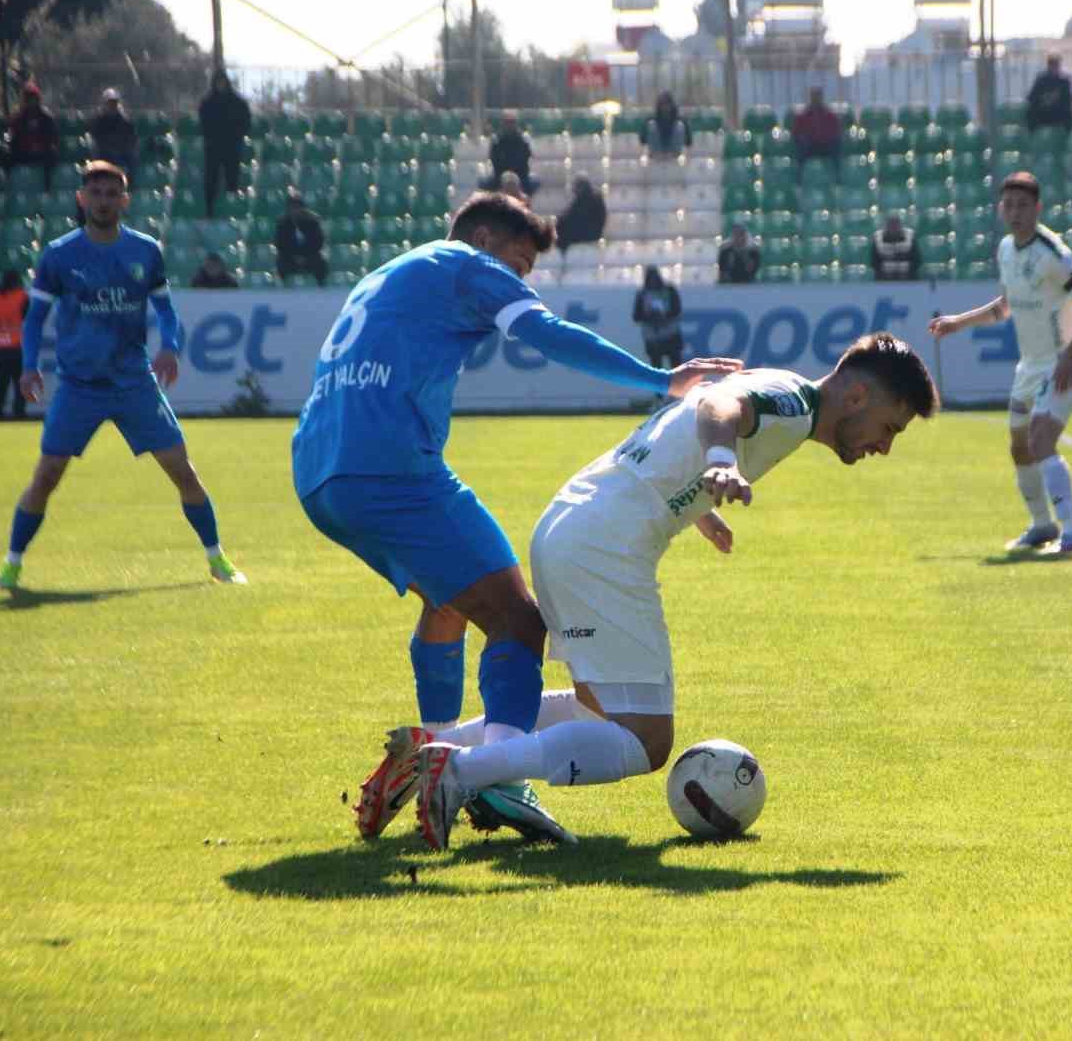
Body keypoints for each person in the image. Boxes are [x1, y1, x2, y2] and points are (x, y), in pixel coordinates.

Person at [291, 191, 740, 841]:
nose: (519, 280)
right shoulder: (467, 265)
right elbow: (544, 334)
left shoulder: (397, 270)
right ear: (482, 237)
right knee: (519, 623)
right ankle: (491, 779)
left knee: (454, 601)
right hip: (389, 466)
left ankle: (433, 748)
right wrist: (659, 379)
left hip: (318, 471)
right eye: (520, 263)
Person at [406, 333, 941, 849]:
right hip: (605, 547)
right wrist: (721, 463)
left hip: (575, 523)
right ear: (856, 395)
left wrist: (696, 505)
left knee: (600, 710)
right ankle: (459, 771)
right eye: (889, 427)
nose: (886, 447)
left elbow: (682, 422)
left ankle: (429, 751)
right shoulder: (793, 403)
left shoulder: (783, 389)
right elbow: (720, 407)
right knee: (645, 740)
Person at [0, 161, 245, 592]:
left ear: (125, 201)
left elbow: (165, 309)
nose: (104, 201)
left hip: (133, 383)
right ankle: (12, 565)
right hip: (78, 386)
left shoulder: (145, 251)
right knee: (46, 475)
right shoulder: (59, 254)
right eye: (97, 193)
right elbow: (34, 320)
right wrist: (30, 364)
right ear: (82, 199)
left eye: (112, 194)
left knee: (183, 472)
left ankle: (217, 559)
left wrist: (171, 348)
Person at [929, 171, 1072, 555]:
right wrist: (958, 322)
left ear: (1037, 209)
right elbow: (1004, 307)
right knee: (1019, 448)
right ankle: (1042, 526)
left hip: (1062, 364)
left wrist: (1069, 354)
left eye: (1023, 206)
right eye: (1009, 205)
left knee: (1041, 441)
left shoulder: (1054, 254)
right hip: (1029, 366)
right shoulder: (1007, 249)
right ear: (1000, 209)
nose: (1015, 212)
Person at [199, 70, 251, 218]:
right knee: (211, 181)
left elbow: (245, 121)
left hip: (232, 147)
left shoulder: (237, 102)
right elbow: (203, 123)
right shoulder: (208, 102)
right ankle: (210, 212)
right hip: (213, 147)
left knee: (232, 180)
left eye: (222, 82)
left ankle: (231, 210)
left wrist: (237, 136)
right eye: (218, 82)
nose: (220, 85)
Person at [1, 81, 60, 192]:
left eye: (34, 99)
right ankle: (8, 187)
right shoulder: (18, 117)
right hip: (23, 153)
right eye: (29, 99)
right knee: (5, 156)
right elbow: (12, 137)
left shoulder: (46, 117)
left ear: (38, 100)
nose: (31, 102)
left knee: (53, 155)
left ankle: (47, 187)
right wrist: (22, 146)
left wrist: (41, 146)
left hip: (41, 153)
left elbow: (53, 137)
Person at [0, 269, 30, 419]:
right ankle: (19, 411)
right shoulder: (22, 297)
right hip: (17, 345)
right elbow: (29, 319)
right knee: (20, 380)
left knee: (2, 379)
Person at [632, 265, 684, 372]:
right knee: (656, 370)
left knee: (677, 369)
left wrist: (664, 315)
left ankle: (679, 388)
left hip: (671, 334)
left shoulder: (670, 290)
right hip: (653, 338)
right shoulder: (642, 294)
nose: (653, 281)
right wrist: (650, 316)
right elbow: (636, 316)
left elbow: (677, 310)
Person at [274, 190, 327, 286]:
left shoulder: (313, 222)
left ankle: (321, 288)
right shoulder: (282, 223)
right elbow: (280, 244)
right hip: (290, 257)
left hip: (309, 256)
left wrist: (304, 256)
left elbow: (318, 242)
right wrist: (295, 256)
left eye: (298, 207)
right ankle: (283, 289)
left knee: (320, 263)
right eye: (292, 207)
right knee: (281, 263)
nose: (295, 210)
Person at [87, 88, 139, 182]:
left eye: (114, 103)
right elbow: (96, 137)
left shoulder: (125, 122)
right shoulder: (98, 121)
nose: (112, 106)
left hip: (122, 152)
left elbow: (131, 139)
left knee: (132, 157)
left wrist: (121, 147)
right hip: (104, 153)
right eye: (109, 103)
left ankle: (130, 183)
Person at [791, 87, 842, 173]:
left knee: (836, 147)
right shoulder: (803, 116)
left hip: (826, 145)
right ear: (810, 98)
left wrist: (827, 139)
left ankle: (837, 178)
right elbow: (796, 133)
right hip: (809, 146)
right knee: (799, 149)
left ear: (821, 97)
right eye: (814, 96)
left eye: (818, 96)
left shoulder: (830, 116)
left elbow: (836, 132)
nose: (816, 98)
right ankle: (799, 178)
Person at [485, 111, 537, 195]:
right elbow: (493, 159)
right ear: (503, 123)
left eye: (512, 122)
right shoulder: (496, 141)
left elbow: (527, 157)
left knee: (533, 183)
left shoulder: (523, 140)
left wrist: (515, 174)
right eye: (507, 122)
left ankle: (525, 204)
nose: (509, 125)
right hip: (500, 175)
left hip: (521, 175)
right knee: (484, 183)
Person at [553, 175, 606, 254]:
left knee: (561, 230)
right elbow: (570, 214)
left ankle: (563, 255)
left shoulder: (589, 199)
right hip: (589, 232)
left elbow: (571, 215)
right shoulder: (593, 198)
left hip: (589, 233)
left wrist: (559, 221)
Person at [1025, 55, 1072, 136]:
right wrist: (1045, 101)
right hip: (1043, 113)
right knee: (1031, 112)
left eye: (1056, 65)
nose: (1054, 68)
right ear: (1048, 66)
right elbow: (1032, 98)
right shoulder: (1041, 80)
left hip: (1058, 113)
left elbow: (1068, 100)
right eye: (1052, 65)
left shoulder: (1064, 81)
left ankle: (1065, 139)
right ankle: (1033, 139)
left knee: (1068, 113)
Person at [640, 91, 691, 159]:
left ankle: (675, 155)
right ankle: (656, 155)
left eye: (667, 105)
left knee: (679, 125)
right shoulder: (650, 122)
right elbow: (643, 140)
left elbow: (688, 141)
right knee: (652, 125)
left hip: (675, 155)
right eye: (663, 105)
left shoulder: (681, 122)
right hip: (656, 155)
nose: (665, 108)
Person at [871, 213, 921, 281]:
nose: (893, 227)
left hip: (908, 277)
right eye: (891, 225)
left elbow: (917, 260)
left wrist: (904, 267)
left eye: (896, 225)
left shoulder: (910, 235)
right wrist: (886, 267)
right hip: (884, 278)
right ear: (886, 226)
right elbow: (873, 262)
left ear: (900, 225)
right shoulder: (877, 237)